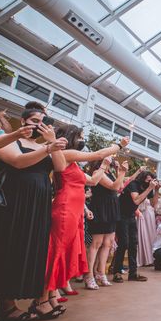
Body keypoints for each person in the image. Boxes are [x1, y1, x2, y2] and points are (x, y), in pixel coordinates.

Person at [0, 108, 68, 321]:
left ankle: (9, 305)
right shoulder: (9, 140)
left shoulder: (45, 144)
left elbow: (60, 166)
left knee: (21, 251)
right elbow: (17, 162)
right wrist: (48, 147)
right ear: (23, 121)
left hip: (37, 203)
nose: (39, 124)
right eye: (35, 120)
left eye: (44, 121)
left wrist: (50, 144)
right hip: (13, 201)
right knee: (3, 250)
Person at [41, 125, 126, 310]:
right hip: (65, 209)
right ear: (71, 138)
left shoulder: (72, 163)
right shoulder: (66, 154)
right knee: (58, 251)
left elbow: (93, 181)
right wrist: (119, 145)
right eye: (80, 136)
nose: (82, 140)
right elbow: (96, 155)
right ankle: (43, 298)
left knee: (64, 251)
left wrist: (105, 167)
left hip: (75, 210)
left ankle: (52, 292)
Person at [84, 159, 129, 289]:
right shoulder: (99, 171)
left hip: (112, 207)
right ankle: (89, 275)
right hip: (101, 207)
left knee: (108, 243)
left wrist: (119, 172)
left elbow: (120, 187)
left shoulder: (110, 172)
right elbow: (114, 186)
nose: (113, 159)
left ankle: (101, 273)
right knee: (96, 243)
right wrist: (122, 172)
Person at [112, 170, 158, 283]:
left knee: (134, 243)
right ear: (143, 178)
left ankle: (133, 273)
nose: (150, 182)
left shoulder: (147, 187)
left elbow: (153, 204)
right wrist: (149, 188)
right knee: (123, 243)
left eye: (152, 180)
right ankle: (117, 271)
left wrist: (156, 189)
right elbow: (136, 200)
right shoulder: (134, 185)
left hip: (131, 216)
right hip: (121, 215)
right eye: (148, 180)